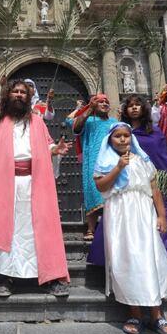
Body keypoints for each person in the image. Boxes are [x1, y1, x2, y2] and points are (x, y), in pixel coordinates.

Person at [0, 79, 71, 298]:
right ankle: (4, 278)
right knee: (6, 230)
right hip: (4, 186)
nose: (19, 95)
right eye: (15, 91)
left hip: (34, 184)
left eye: (23, 92)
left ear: (29, 97)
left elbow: (46, 145)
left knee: (36, 230)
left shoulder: (38, 122)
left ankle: (47, 277)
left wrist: (55, 149)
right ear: (7, 95)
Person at [94, 122, 167, 334]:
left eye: (126, 135)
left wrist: (161, 215)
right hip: (119, 215)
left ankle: (157, 315)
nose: (123, 139)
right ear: (110, 140)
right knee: (127, 260)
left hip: (143, 212)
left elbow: (154, 189)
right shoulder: (106, 160)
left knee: (150, 258)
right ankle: (135, 314)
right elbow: (101, 186)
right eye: (118, 136)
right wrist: (118, 167)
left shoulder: (143, 160)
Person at [122, 95, 167, 298]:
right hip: (134, 187)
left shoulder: (154, 132)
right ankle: (143, 277)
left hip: (160, 182)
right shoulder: (122, 133)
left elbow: (164, 155)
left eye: (137, 105)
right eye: (130, 105)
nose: (134, 108)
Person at [72, 94, 118, 240]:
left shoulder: (114, 122)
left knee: (112, 194)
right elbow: (75, 127)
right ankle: (91, 229)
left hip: (112, 162)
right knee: (92, 191)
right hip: (93, 162)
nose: (104, 104)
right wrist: (89, 110)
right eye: (100, 102)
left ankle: (113, 228)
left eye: (106, 102)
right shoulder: (88, 121)